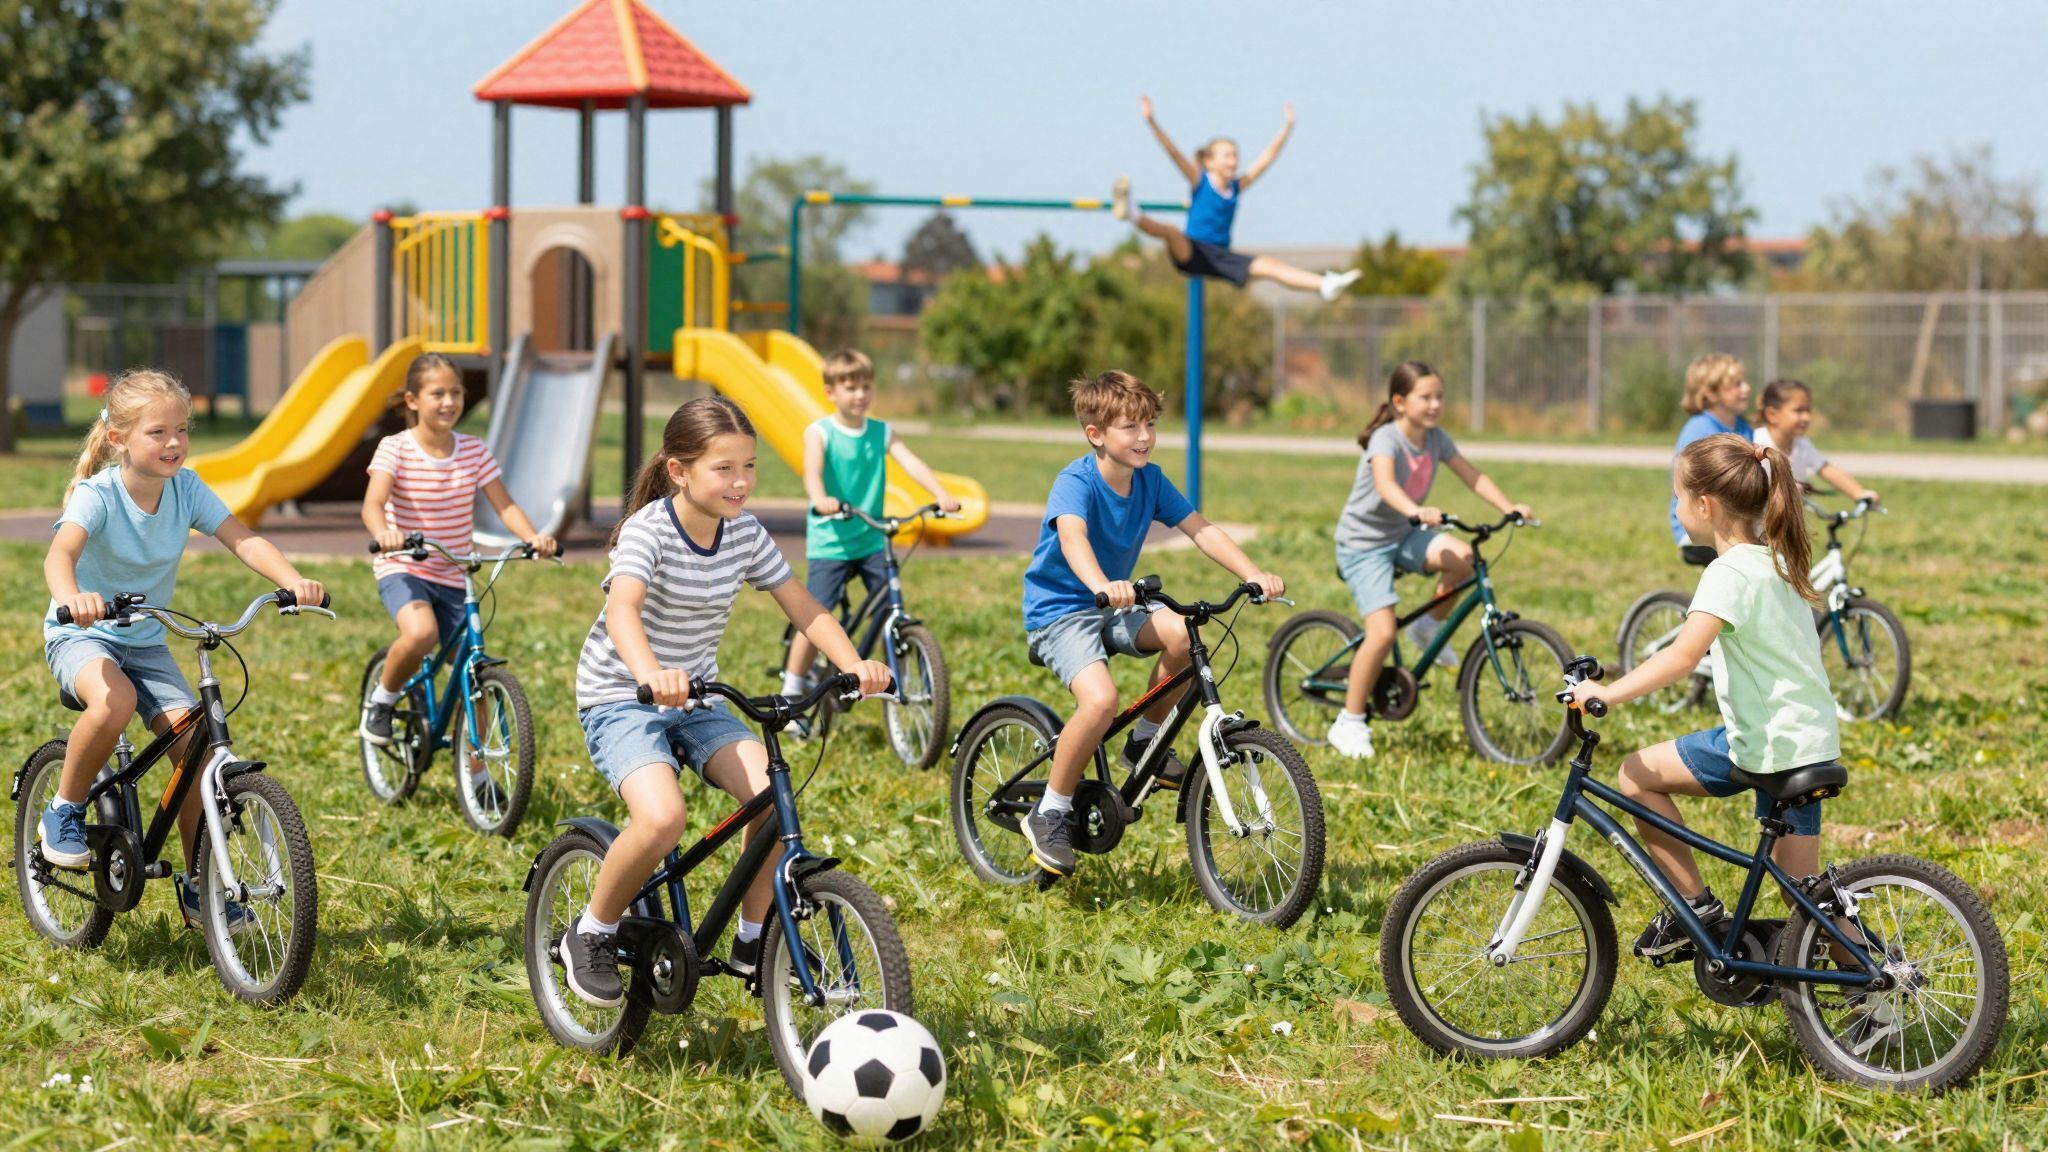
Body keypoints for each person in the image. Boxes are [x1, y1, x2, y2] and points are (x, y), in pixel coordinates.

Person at [558, 397, 890, 1008]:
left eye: (749, 467)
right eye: (724, 469)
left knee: (770, 796)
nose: (740, 483)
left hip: (698, 697)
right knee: (661, 819)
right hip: (621, 696)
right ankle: (594, 931)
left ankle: (754, 938)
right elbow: (623, 608)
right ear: (680, 471)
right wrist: (651, 673)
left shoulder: (744, 533)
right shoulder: (649, 529)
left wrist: (853, 664)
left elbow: (803, 606)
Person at [41, 369, 324, 929]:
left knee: (195, 747)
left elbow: (243, 537)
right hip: (83, 634)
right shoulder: (99, 495)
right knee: (113, 701)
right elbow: (59, 555)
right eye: (157, 432)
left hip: (145, 638)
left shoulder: (186, 488)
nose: (174, 443)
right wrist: (75, 599)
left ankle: (201, 887)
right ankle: (64, 809)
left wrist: (292, 581)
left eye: (182, 429)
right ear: (119, 438)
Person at [1568, 433, 1841, 957]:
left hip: (1768, 746)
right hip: (1807, 739)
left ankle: (1693, 906)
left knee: (1635, 775)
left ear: (1704, 505)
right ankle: (1872, 995)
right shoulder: (1777, 561)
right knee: (1807, 900)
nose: (1674, 506)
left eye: (1676, 496)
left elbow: (1681, 657)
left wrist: (1609, 692)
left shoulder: (1727, 573)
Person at [1018, 370, 1284, 880]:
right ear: (1095, 434)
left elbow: (1200, 529)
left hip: (1112, 605)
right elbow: (1073, 538)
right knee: (1098, 702)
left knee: (1183, 633)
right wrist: (1102, 583)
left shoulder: (1151, 481)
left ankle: (1144, 741)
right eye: (1129, 427)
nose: (1144, 437)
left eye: (1150, 424)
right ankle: (1050, 810)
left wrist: (1253, 574)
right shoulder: (1075, 482)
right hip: (1061, 612)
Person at [359, 354, 557, 804]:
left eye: (456, 393)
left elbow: (504, 504)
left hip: (455, 568)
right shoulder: (396, 448)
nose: (449, 402)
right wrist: (384, 534)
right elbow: (373, 504)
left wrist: (533, 537)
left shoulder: (473, 450)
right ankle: (384, 702)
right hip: (405, 566)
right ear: (413, 400)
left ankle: (480, 774)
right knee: (421, 633)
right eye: (438, 393)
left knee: (475, 673)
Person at [1326, 361, 1534, 760]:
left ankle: (1427, 628)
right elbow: (1386, 485)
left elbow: (1472, 476)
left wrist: (1510, 507)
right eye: (1426, 396)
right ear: (1400, 401)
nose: (1436, 403)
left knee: (1466, 559)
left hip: (1403, 536)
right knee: (1383, 633)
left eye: (1440, 396)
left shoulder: (1436, 439)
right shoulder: (1385, 440)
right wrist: (1415, 510)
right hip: (1363, 543)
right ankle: (1349, 722)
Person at [780, 348, 960, 702]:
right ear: (831, 392)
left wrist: (940, 492)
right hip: (831, 540)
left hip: (870, 538)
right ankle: (792, 688)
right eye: (851, 388)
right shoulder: (821, 432)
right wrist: (820, 500)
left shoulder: (881, 431)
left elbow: (911, 462)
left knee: (890, 606)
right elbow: (812, 472)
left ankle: (892, 677)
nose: (860, 394)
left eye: (865, 386)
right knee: (816, 614)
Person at [1113, 95, 1360, 301]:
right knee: (1171, 231)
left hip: (1222, 257)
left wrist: (1287, 128)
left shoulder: (1236, 187)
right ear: (1210, 161)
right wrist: (1151, 121)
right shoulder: (1200, 180)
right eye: (1227, 155)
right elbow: (1173, 152)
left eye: (1235, 156)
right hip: (1192, 251)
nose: (1233, 161)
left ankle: (1324, 285)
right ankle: (1131, 212)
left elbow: (1266, 159)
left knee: (1271, 266)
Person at [1668, 354, 1752, 553]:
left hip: (1730, 521)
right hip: (1700, 525)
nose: (1746, 388)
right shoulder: (1700, 431)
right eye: (1736, 384)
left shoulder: (1743, 426)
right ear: (1712, 394)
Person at [1753, 378, 1879, 503]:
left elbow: (1826, 469)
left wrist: (1857, 492)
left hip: (1787, 521)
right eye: (1799, 410)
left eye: (1808, 410)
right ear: (1772, 415)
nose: (1807, 417)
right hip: (1755, 520)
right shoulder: (1756, 442)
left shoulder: (1802, 444)